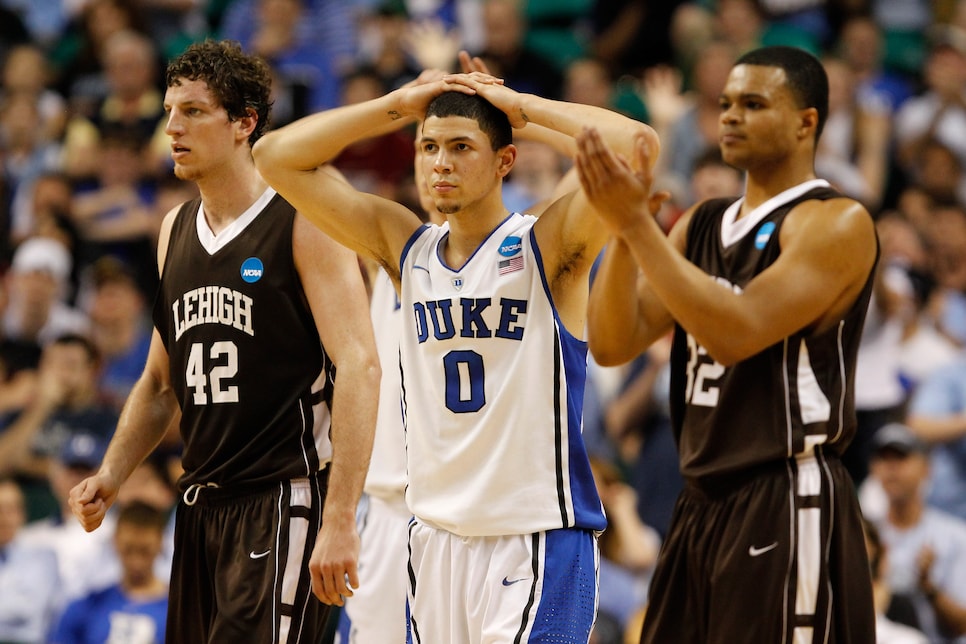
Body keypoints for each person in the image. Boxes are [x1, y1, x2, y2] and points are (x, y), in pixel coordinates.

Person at [252, 61, 659, 640]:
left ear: (504, 162)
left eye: (462, 147)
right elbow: (273, 157)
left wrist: (521, 109)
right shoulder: (404, 248)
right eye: (429, 147)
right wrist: (397, 104)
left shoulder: (547, 242)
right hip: (435, 539)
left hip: (533, 537)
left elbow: (638, 146)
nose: (441, 162)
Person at [67, 39, 381, 643]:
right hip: (201, 506)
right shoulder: (173, 231)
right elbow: (161, 384)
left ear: (244, 123)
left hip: (284, 499)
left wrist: (340, 515)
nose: (172, 128)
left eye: (192, 112)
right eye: (168, 113)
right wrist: (113, 471)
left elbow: (360, 367)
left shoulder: (303, 218)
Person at [579, 45, 878, 643]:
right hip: (699, 500)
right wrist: (620, 228)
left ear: (806, 122)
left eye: (753, 103)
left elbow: (736, 332)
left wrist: (641, 226)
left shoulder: (836, 222)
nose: (732, 116)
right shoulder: (701, 224)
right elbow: (612, 344)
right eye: (725, 104)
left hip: (784, 495)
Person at [867, 423, 966, 642]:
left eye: (901, 458)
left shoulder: (955, 537)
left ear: (926, 468)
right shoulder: (864, 535)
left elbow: (963, 625)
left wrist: (928, 587)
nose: (891, 468)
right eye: (884, 459)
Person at [50, 500, 170, 644]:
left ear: (160, 543)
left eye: (145, 551)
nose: (136, 561)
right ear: (115, 541)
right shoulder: (88, 606)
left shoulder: (178, 612)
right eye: (128, 550)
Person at [0, 475, 61, 642]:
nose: (4, 518)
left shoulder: (43, 557)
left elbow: (28, 608)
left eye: (10, 510)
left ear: (22, 514)